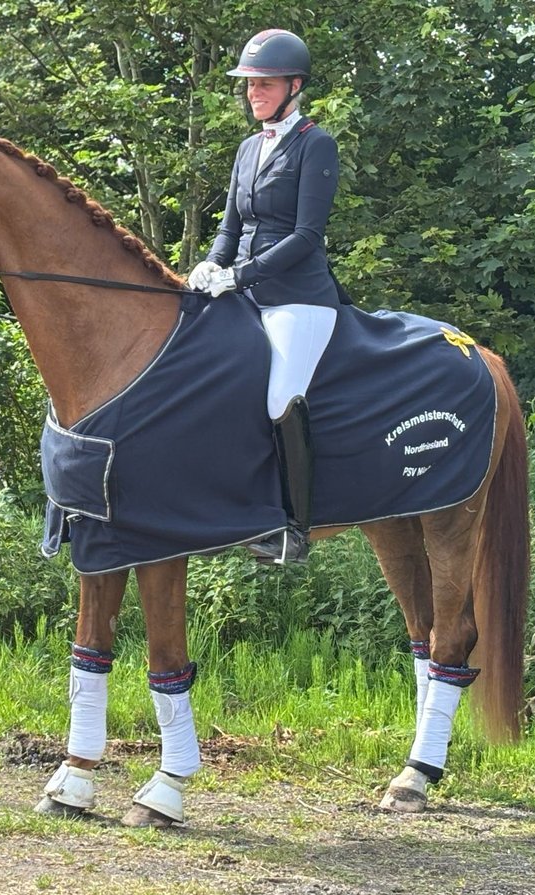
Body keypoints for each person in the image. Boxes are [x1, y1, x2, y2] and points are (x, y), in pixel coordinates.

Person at [188, 28, 342, 565]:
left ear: (295, 86)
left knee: (279, 398)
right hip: (247, 290)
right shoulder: (248, 148)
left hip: (299, 299)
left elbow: (306, 238)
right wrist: (213, 263)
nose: (254, 93)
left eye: (266, 84)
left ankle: (294, 531)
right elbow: (230, 229)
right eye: (250, 85)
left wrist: (240, 276)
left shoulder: (316, 144)